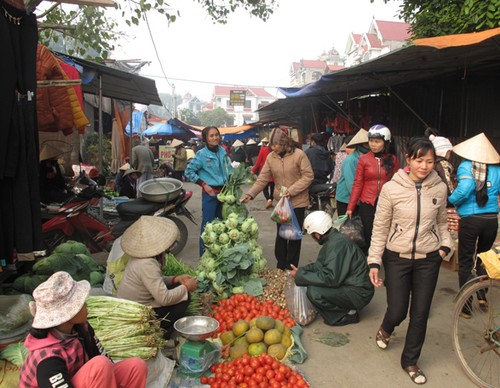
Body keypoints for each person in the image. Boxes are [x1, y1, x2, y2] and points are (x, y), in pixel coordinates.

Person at [368, 137, 453, 385]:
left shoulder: (439, 187)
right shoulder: (391, 189)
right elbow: (380, 227)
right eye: (419, 160)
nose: (424, 166)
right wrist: (374, 261)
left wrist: (445, 247)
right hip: (397, 258)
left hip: (429, 258)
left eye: (429, 161)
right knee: (398, 310)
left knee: (420, 313)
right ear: (408, 160)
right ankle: (386, 327)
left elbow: (441, 223)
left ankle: (410, 361)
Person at [20, 271, 148, 388]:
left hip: (79, 381)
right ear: (68, 314)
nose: (86, 305)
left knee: (136, 367)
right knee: (99, 365)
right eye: (81, 303)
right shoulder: (47, 360)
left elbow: (102, 356)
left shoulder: (82, 329)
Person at [241, 127, 314, 270]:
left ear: (285, 143)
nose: (273, 148)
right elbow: (262, 179)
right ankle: (281, 265)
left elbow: (308, 176)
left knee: (294, 236)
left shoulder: (299, 155)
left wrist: (291, 191)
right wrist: (250, 194)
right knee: (281, 235)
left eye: (276, 145)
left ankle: (292, 267)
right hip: (280, 203)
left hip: (297, 202)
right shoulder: (271, 157)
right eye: (271, 145)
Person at [117, 216, 198, 338]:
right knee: (184, 298)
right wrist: (186, 287)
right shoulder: (147, 264)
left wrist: (174, 279)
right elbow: (164, 299)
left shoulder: (141, 256)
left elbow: (154, 280)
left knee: (177, 287)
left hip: (135, 305)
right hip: (138, 314)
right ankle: (162, 333)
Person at [290, 211, 374, 326]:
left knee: (314, 292)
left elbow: (330, 278)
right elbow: (320, 266)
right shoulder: (334, 240)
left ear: (318, 234)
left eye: (312, 235)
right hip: (352, 285)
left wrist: (301, 276)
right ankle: (343, 307)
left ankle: (348, 314)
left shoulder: (337, 245)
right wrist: (302, 271)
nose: (313, 238)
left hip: (359, 292)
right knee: (313, 285)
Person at [448, 133, 500, 312]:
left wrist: (451, 199)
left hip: (471, 221)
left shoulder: (466, 166)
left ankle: (466, 306)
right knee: (483, 258)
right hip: (491, 220)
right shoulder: (496, 170)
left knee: (465, 262)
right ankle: (482, 296)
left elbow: (464, 190)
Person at [346, 125, 400, 253]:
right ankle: (369, 263)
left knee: (386, 232)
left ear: (386, 142)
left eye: (377, 141)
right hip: (368, 203)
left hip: (387, 202)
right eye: (370, 141)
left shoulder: (393, 159)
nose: (373, 144)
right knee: (368, 234)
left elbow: (398, 181)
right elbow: (357, 183)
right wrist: (350, 207)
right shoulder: (363, 159)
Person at [184, 126, 232, 256]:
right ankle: (204, 258)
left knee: (222, 226)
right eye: (211, 135)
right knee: (208, 228)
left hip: (224, 195)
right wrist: (203, 184)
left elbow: (229, 169)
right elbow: (188, 171)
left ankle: (219, 256)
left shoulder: (222, 151)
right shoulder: (201, 154)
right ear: (205, 138)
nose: (215, 137)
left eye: (216, 134)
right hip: (210, 195)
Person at [335, 129, 369, 216]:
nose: (370, 145)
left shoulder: (366, 159)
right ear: (359, 145)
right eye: (366, 143)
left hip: (357, 199)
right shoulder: (351, 159)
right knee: (347, 228)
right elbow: (351, 183)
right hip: (346, 199)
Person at [251, 138, 274, 209]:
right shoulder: (274, 150)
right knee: (273, 188)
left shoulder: (263, 150)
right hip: (273, 172)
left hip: (265, 173)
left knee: (265, 188)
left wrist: (253, 170)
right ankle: (271, 199)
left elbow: (258, 161)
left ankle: (268, 200)